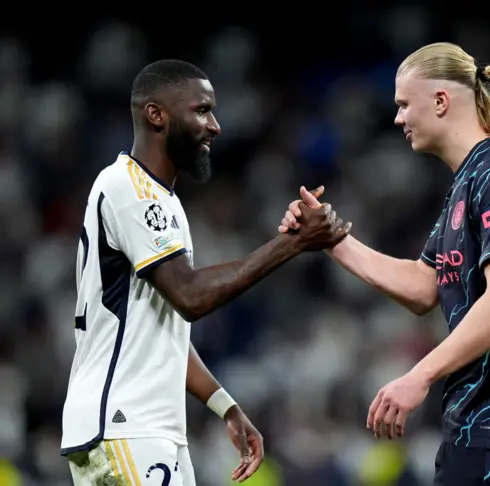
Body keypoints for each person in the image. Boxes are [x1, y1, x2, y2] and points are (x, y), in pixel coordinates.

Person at [279, 42, 490, 485]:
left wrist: (419, 375)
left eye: (402, 104)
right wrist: (331, 239)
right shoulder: (470, 181)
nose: (397, 118)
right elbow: (424, 285)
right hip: (477, 428)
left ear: (439, 101)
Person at [60, 59, 351, 486]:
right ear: (155, 115)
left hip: (141, 428)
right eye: (201, 110)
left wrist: (226, 407)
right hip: (126, 425)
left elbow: (163, 330)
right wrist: (293, 243)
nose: (214, 125)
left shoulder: (161, 200)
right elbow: (191, 296)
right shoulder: (128, 188)